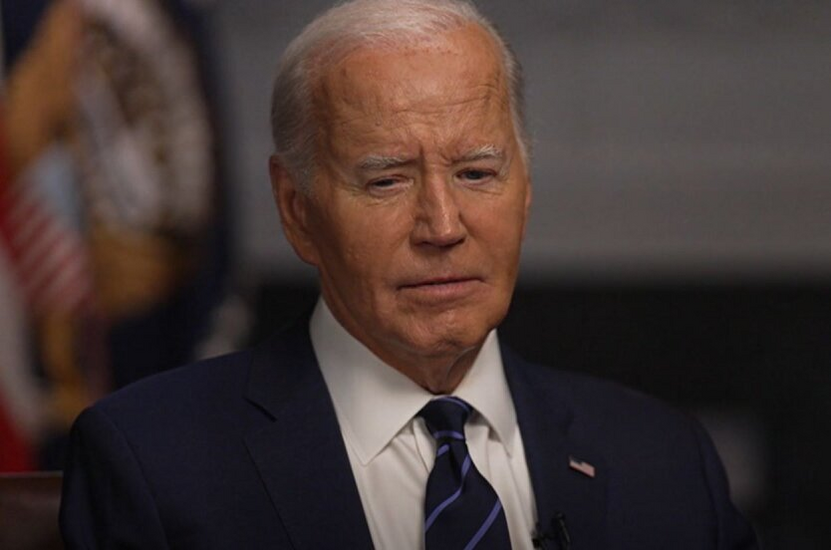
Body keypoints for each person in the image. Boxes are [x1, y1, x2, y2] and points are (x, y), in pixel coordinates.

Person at [59, 0, 758, 548]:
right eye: (387, 180)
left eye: (477, 173)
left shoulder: (663, 462)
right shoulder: (153, 461)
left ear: (525, 188)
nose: (443, 225)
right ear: (296, 210)